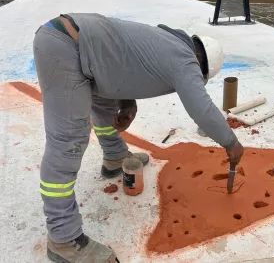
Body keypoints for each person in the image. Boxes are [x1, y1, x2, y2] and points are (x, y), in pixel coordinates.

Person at [33, 14, 244, 262]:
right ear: (201, 64)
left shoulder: (168, 40)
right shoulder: (185, 59)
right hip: (66, 49)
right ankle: (64, 239)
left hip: (75, 44)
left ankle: (115, 157)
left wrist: (126, 103)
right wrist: (230, 141)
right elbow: (201, 108)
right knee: (68, 142)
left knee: (103, 105)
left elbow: (125, 60)